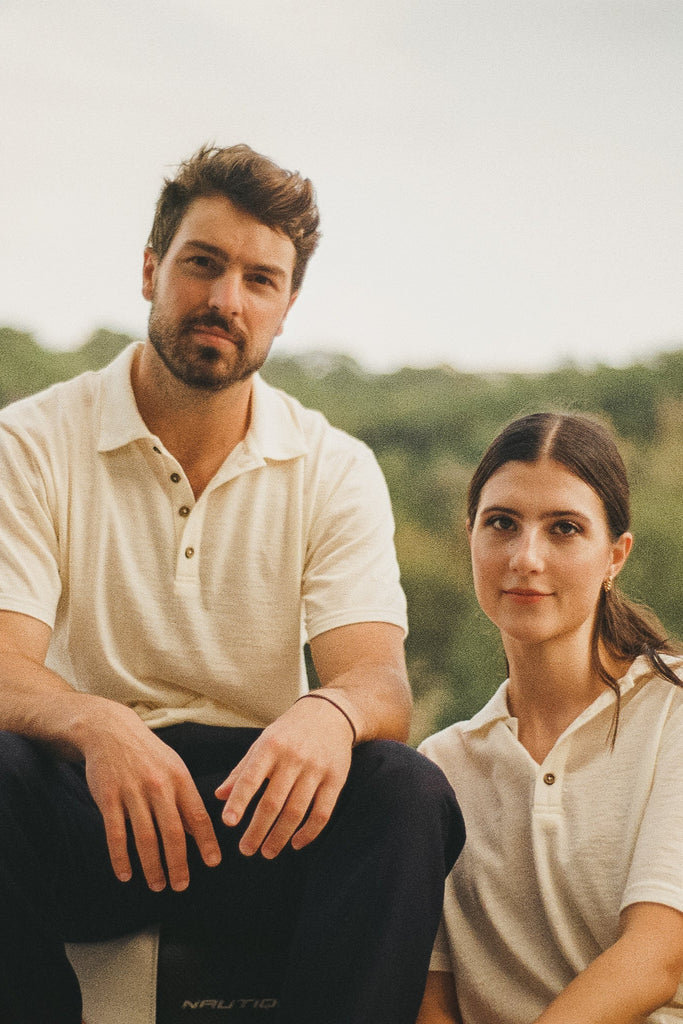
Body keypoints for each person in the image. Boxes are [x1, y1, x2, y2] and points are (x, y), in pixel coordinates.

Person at [0, 144, 464, 1024]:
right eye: (202, 265)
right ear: (151, 270)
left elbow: (377, 682)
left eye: (259, 279)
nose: (225, 300)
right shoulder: (28, 443)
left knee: (405, 791)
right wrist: (95, 722)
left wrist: (328, 713)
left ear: (286, 308)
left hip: (258, 816)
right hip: (88, 810)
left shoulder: (334, 465)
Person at [417, 411, 683, 1024]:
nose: (525, 557)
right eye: (501, 524)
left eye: (564, 528)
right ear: (471, 538)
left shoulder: (673, 712)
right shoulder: (438, 768)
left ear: (615, 556)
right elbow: (430, 997)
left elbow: (656, 956)